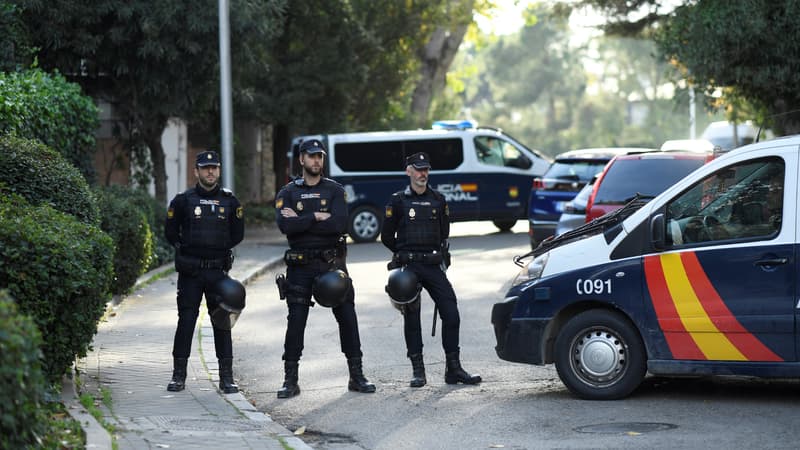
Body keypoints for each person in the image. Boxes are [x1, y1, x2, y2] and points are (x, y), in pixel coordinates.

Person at [274, 139, 375, 398]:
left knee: (348, 319)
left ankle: (357, 375)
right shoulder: (287, 193)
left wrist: (301, 221)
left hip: (332, 264)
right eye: (311, 156)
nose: (316, 160)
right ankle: (290, 380)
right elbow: (286, 227)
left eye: (319, 156)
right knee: (296, 323)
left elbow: (339, 224)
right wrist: (316, 217)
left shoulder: (334, 190)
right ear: (301, 160)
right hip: (299, 267)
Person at [380, 151, 481, 388]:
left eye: (426, 169)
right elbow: (386, 236)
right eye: (418, 169)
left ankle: (453, 369)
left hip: (433, 265)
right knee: (412, 317)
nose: (423, 174)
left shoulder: (438, 199)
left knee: (451, 314)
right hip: (410, 266)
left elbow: (444, 233)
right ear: (409, 171)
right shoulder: (397, 201)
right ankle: (418, 371)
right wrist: (403, 252)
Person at [164, 150, 245, 394]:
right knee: (186, 321)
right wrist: (187, 250)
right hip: (191, 273)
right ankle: (179, 376)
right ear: (196, 171)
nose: (210, 171)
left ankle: (226, 378)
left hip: (218, 273)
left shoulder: (230, 202)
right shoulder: (182, 201)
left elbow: (237, 234)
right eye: (205, 167)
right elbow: (170, 232)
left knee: (223, 323)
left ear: (218, 171)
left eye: (214, 167)